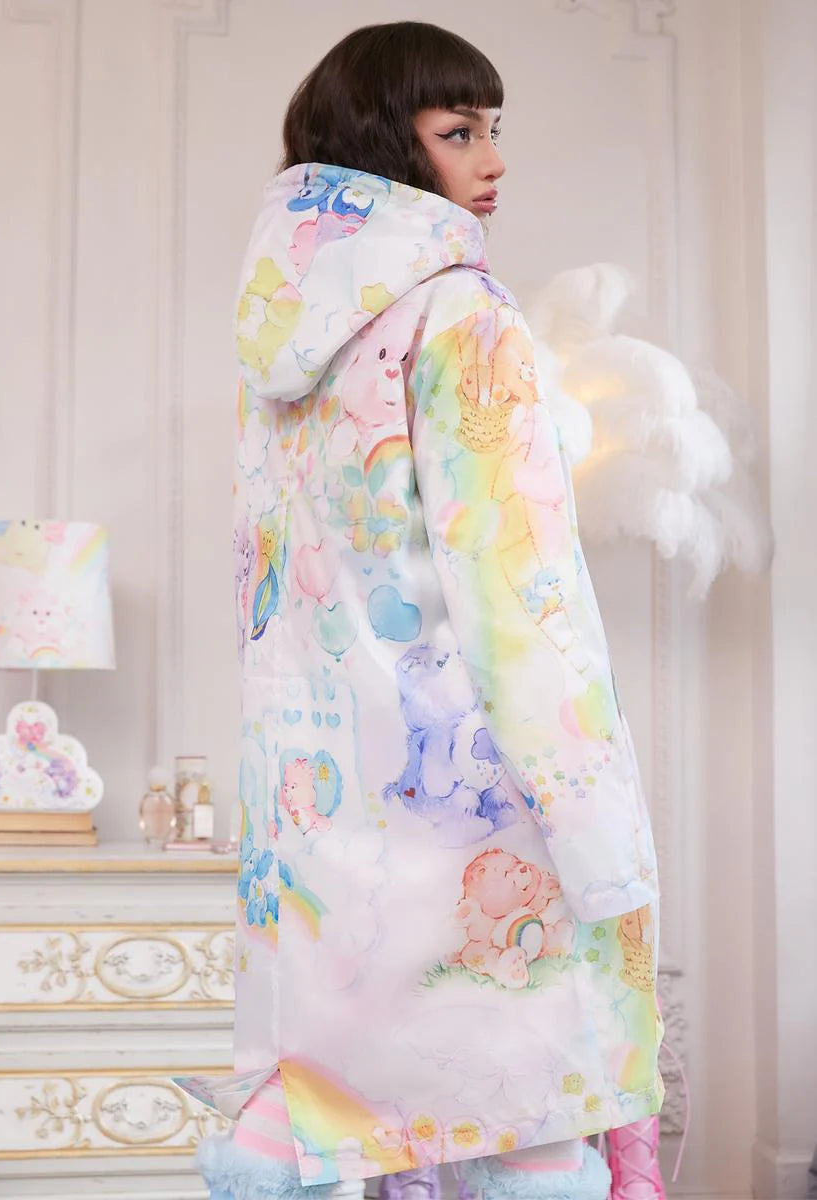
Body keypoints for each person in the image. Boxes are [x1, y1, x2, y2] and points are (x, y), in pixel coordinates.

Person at [177, 21, 663, 1200]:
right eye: (459, 131)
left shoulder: (278, 344)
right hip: (476, 795)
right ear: (385, 145)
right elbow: (518, 585)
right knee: (526, 1127)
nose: (493, 159)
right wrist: (598, 823)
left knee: (321, 1128)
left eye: (494, 128)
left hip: (318, 812)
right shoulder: (462, 315)